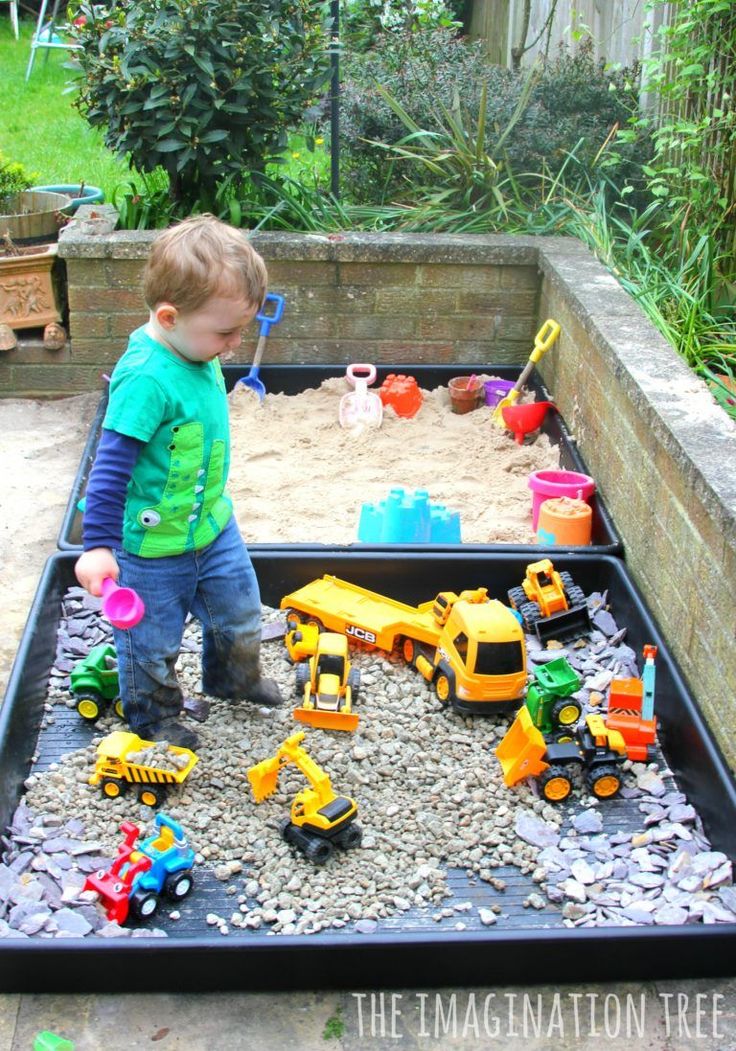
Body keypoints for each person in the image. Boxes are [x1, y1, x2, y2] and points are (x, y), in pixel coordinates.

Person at [74, 215, 282, 749]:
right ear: (168, 316)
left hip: (213, 527)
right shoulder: (144, 377)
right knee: (150, 641)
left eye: (240, 330)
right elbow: (110, 467)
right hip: (149, 549)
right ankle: (153, 713)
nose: (235, 345)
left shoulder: (196, 344)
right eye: (225, 332)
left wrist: (214, 337)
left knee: (238, 614)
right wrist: (97, 545)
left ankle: (233, 680)